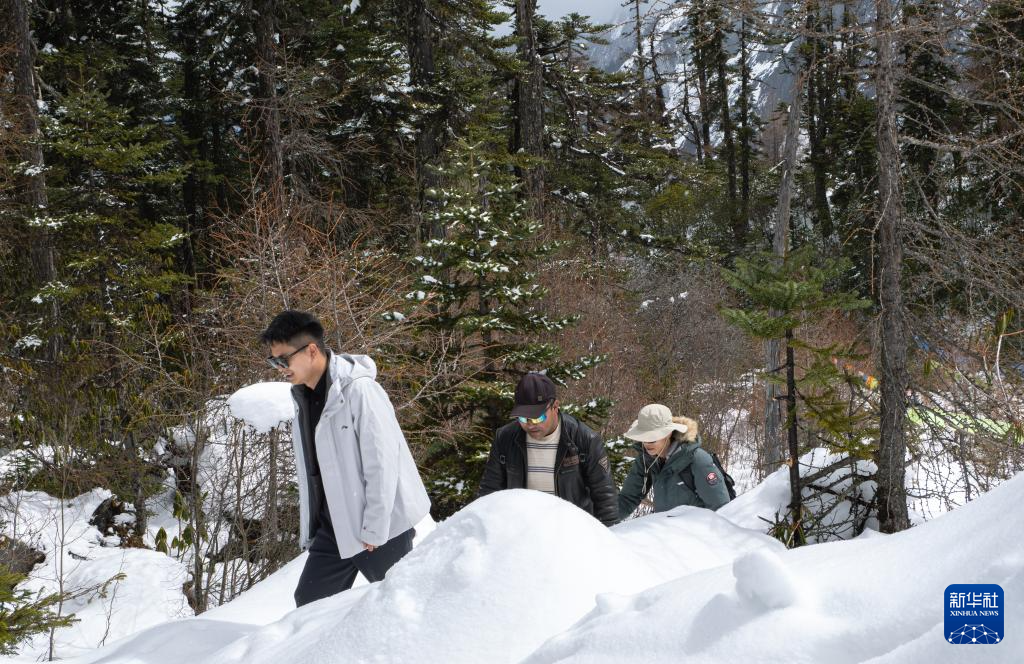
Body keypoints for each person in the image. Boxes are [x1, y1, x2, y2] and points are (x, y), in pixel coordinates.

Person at [261, 310, 430, 607]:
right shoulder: (302, 397)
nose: (280, 368)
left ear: (311, 350)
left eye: (283, 359)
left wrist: (375, 526)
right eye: (273, 361)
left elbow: (383, 463)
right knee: (309, 604)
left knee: (403, 605)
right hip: (334, 526)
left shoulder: (359, 390)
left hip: (380, 526)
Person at [478, 372, 619, 526]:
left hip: (572, 530)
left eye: (538, 417)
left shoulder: (584, 439)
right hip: (520, 530)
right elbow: (489, 493)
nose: (530, 424)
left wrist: (609, 535)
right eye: (523, 418)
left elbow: (605, 497)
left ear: (555, 407)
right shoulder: (505, 438)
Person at [617, 403, 730, 520]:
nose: (646, 444)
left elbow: (720, 509)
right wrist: (605, 523)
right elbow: (627, 498)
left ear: (668, 433)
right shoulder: (646, 460)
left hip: (696, 529)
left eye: (652, 438)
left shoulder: (697, 459)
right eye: (643, 438)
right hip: (663, 528)